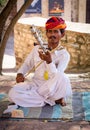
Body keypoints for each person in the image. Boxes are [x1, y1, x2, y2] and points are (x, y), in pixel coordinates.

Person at [4, 16, 72, 113]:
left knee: (63, 77)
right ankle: (49, 100)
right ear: (46, 33)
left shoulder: (64, 55)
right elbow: (27, 64)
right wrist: (20, 73)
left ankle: (43, 98)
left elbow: (56, 77)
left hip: (52, 89)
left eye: (56, 32)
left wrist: (49, 62)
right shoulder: (37, 49)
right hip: (36, 86)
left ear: (62, 34)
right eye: (50, 31)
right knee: (12, 93)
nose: (52, 35)